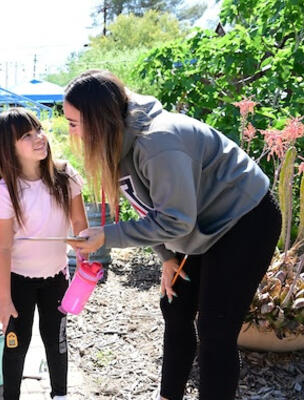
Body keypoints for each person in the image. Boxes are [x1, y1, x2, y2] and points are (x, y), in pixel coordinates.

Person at [63, 70, 281, 400]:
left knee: (215, 330)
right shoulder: (119, 140)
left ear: (98, 119)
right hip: (200, 222)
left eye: (73, 123)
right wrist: (167, 256)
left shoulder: (156, 143)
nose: (71, 132)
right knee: (175, 307)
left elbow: (175, 220)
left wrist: (106, 235)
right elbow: (148, 207)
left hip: (245, 218)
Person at [0, 108, 88, 400]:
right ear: (9, 148)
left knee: (56, 340)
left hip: (56, 278)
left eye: (38, 130)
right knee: (16, 345)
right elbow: (3, 248)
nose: (39, 138)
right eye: (27, 135)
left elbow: (80, 224)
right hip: (18, 282)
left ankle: (60, 394)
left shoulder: (65, 174)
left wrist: (84, 261)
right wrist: (4, 301)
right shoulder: (7, 190)